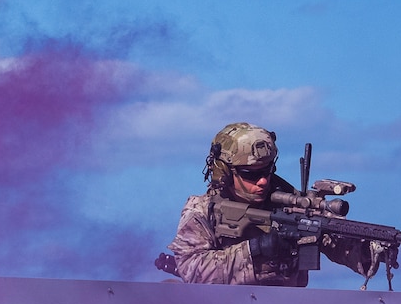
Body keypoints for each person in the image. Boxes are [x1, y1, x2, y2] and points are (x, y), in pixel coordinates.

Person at [165, 122, 384, 286]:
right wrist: (255, 249)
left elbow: (334, 241)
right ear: (225, 173)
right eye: (251, 174)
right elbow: (191, 270)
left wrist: (369, 252)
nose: (262, 181)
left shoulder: (292, 204)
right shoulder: (203, 211)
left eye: (267, 171)